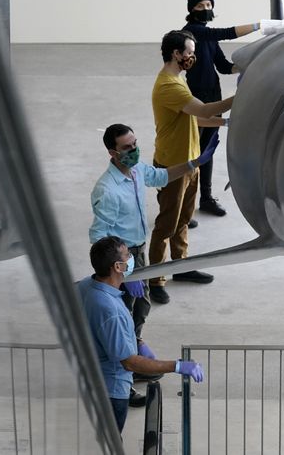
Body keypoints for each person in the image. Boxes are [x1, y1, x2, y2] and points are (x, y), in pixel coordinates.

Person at [90, 124, 218, 405]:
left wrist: (194, 163)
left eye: (135, 143)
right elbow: (99, 238)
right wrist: (126, 271)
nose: (134, 150)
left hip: (136, 252)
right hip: (120, 259)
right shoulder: (107, 189)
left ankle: (135, 353)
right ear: (112, 152)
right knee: (122, 319)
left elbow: (160, 176)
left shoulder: (136, 170)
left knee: (139, 308)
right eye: (127, 147)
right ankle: (123, 378)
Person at [77, 236, 205, 433]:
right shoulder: (110, 310)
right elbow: (129, 363)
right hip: (112, 391)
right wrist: (177, 366)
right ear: (117, 267)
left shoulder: (87, 285)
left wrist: (137, 341)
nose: (132, 259)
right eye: (127, 255)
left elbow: (100, 330)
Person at [148, 30, 233, 303]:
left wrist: (227, 122)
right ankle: (155, 278)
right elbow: (205, 110)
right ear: (176, 54)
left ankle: (181, 266)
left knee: (183, 220)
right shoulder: (168, 86)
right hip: (173, 165)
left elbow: (195, 118)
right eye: (189, 52)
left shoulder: (178, 79)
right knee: (166, 225)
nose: (192, 56)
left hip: (190, 162)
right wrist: (243, 97)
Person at [182, 0, 260, 217]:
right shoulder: (192, 32)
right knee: (193, 152)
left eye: (208, 5)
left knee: (208, 149)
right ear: (191, 9)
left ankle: (206, 198)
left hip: (213, 94)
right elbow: (226, 32)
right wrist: (260, 26)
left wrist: (250, 66)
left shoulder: (209, 37)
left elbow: (224, 67)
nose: (206, 9)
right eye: (200, 5)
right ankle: (184, 205)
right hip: (196, 97)